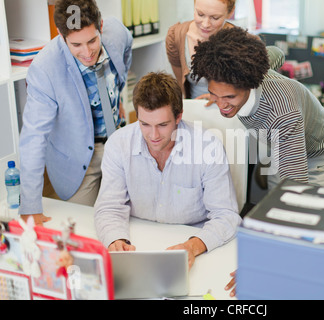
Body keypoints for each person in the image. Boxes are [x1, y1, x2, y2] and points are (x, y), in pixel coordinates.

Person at [94, 72, 241, 268]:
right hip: (137, 241)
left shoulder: (208, 147)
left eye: (163, 125)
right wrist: (115, 239)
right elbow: (109, 206)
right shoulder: (119, 144)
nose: (153, 135)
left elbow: (226, 215)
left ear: (178, 117)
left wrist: (193, 246)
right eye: (145, 124)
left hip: (195, 243)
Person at [19, 0, 132, 226]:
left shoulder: (116, 32)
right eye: (76, 45)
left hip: (120, 143)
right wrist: (30, 206)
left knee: (132, 219)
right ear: (61, 36)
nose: (87, 52)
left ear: (100, 25)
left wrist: (117, 93)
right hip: (79, 161)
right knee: (83, 228)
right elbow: (33, 138)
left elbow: (126, 49)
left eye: (92, 40)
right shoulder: (44, 69)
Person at [191, 27, 324, 190]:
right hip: (282, 144)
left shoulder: (283, 115)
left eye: (230, 97)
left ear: (249, 85)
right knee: (275, 194)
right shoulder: (249, 69)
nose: (222, 105)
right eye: (214, 93)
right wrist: (218, 95)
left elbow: (294, 188)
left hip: (319, 156)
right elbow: (276, 52)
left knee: (310, 208)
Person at [166, 0, 236, 101]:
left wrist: (221, 98)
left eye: (215, 18)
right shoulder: (176, 37)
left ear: (230, 12)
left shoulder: (241, 43)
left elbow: (249, 91)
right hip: (195, 106)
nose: (205, 24)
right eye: (200, 14)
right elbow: (181, 85)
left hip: (230, 108)